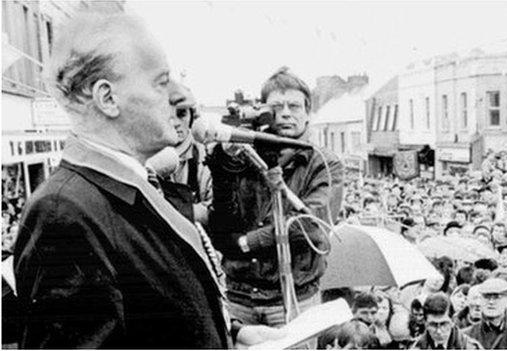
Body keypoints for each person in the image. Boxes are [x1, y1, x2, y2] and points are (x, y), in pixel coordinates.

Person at [12, 13, 280, 349]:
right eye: (161, 81)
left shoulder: (129, 186)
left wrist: (232, 334)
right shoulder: (64, 213)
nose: (177, 95)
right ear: (108, 99)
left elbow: (157, 311)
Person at [206, 67, 344, 329]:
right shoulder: (243, 153)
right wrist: (221, 166)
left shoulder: (323, 162)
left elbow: (312, 226)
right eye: (276, 106)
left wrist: (247, 242)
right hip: (240, 297)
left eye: (294, 106)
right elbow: (223, 223)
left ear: (307, 113)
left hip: (292, 299)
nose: (285, 114)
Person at [167, 82, 213, 223]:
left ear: (192, 117)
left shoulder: (205, 155)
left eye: (181, 114)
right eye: (167, 115)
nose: (175, 123)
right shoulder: (144, 156)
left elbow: (214, 212)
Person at [463, 278, 507, 349]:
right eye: (486, 297)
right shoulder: (466, 336)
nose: (491, 302)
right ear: (481, 300)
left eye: (497, 297)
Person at [410, 292, 482, 349]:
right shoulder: (415, 348)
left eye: (444, 324)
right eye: (433, 324)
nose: (439, 331)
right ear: (425, 323)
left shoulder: (471, 348)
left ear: (452, 322)